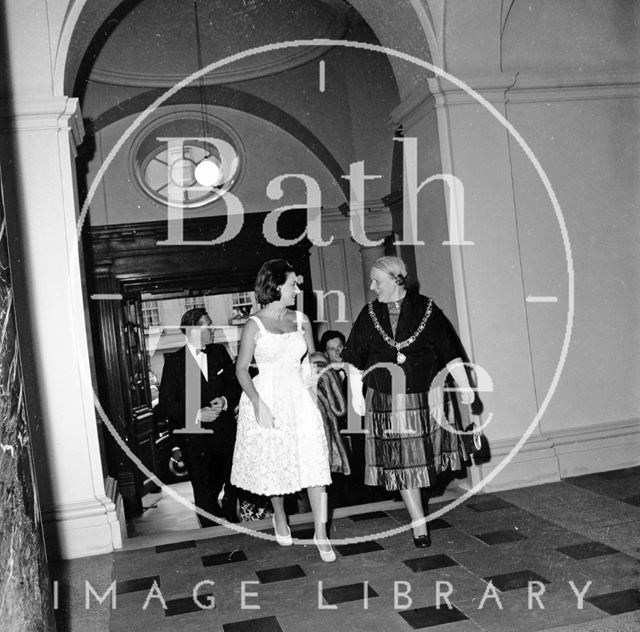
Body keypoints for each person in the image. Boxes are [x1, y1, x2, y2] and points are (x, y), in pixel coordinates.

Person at [341, 256, 474, 548]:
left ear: (397, 280)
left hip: (426, 398)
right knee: (404, 465)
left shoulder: (427, 309)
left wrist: (465, 386)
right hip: (387, 400)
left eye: (378, 281)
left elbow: (450, 351)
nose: (372, 286)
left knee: (423, 463)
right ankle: (418, 522)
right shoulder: (369, 314)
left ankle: (418, 514)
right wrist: (355, 395)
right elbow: (353, 360)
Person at [231, 259, 336, 562]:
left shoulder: (301, 318)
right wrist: (256, 402)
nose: (297, 289)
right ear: (275, 286)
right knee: (277, 462)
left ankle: (321, 533)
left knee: (315, 462)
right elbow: (241, 370)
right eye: (293, 284)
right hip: (267, 396)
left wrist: (317, 394)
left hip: (300, 396)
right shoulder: (254, 324)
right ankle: (279, 514)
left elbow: (310, 361)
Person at [157, 307, 241, 527]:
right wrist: (197, 413)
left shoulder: (219, 353)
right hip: (196, 438)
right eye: (208, 325)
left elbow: (234, 387)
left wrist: (224, 400)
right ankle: (212, 537)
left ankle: (234, 523)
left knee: (236, 481)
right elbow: (166, 405)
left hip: (226, 434)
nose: (213, 329)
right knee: (205, 493)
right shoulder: (175, 362)